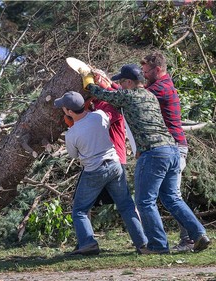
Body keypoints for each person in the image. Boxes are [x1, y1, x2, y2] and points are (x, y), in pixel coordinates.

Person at [82, 64, 211, 254]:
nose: (121, 85)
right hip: (172, 150)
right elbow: (117, 94)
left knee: (144, 202)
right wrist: (108, 82)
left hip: (153, 153)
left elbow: (99, 94)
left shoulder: (128, 95)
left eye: (122, 82)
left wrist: (87, 78)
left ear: (128, 82)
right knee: (172, 198)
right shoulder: (150, 96)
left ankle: (158, 246)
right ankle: (199, 233)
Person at [54, 91, 147, 255]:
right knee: (126, 206)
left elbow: (74, 155)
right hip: (114, 164)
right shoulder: (100, 116)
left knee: (80, 210)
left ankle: (88, 243)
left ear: (68, 111)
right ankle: (142, 243)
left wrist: (73, 127)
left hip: (93, 170)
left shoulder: (72, 134)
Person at [140, 52, 192, 252]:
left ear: (158, 70)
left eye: (147, 72)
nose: (144, 75)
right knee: (170, 195)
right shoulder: (160, 86)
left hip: (173, 147)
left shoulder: (160, 88)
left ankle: (190, 238)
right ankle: (190, 237)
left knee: (172, 196)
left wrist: (108, 86)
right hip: (172, 147)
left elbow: (137, 97)